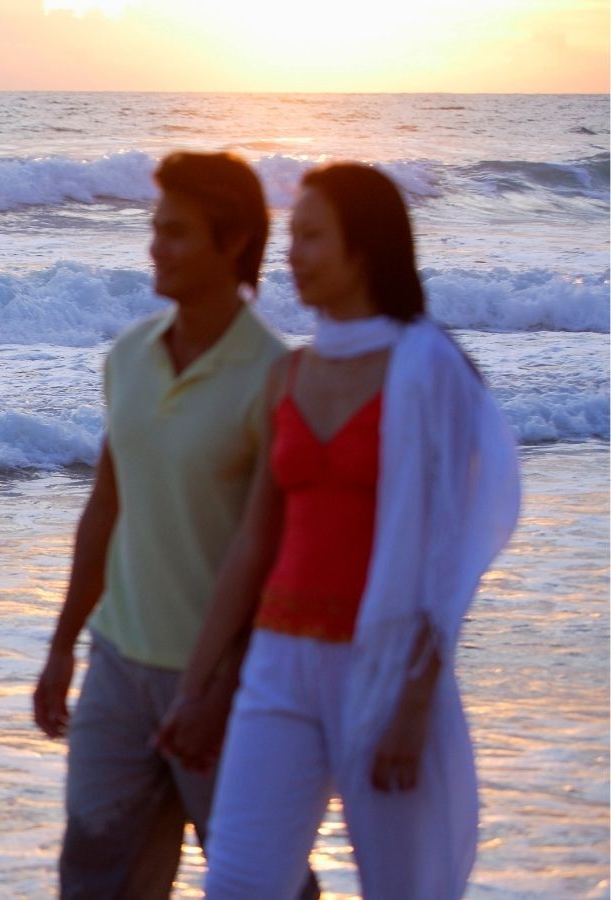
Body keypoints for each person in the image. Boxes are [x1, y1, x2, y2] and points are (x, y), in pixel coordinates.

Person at [154, 163, 521, 898]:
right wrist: (196, 688)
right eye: (291, 235)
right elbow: (256, 544)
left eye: (312, 236)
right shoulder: (288, 375)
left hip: (381, 671)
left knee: (402, 887)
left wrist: (415, 705)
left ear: (365, 248)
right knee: (239, 885)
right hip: (279, 662)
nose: (292, 253)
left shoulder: (430, 369)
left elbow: (450, 561)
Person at [31, 151, 294, 899]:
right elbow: (106, 508)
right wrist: (62, 647)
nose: (155, 246)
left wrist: (219, 685)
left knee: (260, 882)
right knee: (94, 878)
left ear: (235, 240)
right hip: (117, 672)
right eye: (155, 227)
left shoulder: (275, 377)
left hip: (224, 687)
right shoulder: (130, 357)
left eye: (176, 231)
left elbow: (276, 554)